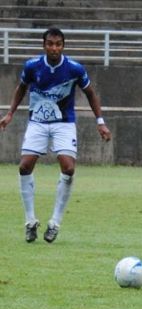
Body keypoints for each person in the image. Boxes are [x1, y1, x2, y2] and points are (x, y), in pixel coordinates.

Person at [0, 27, 112, 243]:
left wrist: (101, 122)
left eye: (58, 44)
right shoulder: (32, 66)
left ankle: (55, 223)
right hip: (37, 122)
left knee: (68, 168)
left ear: (63, 46)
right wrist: (10, 113)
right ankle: (30, 221)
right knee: (24, 166)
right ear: (44, 45)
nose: (54, 48)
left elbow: (90, 93)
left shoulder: (74, 68)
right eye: (50, 44)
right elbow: (21, 88)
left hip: (64, 123)